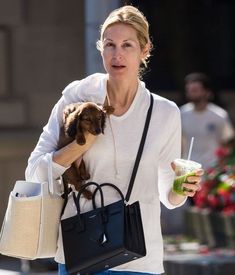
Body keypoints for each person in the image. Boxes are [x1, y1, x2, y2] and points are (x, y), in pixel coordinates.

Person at [25, 5, 203, 275]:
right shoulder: (76, 100)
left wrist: (183, 188)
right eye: (110, 45)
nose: (117, 54)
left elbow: (169, 196)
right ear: (101, 48)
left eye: (127, 45)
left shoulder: (164, 113)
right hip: (80, 252)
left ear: (145, 51)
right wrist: (79, 146)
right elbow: (35, 172)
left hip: (140, 258)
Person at [180, 72, 235, 169]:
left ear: (206, 92)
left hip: (213, 171)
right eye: (189, 90)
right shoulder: (181, 114)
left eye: (195, 90)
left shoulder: (219, 115)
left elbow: (227, 142)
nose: (191, 93)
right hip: (188, 170)